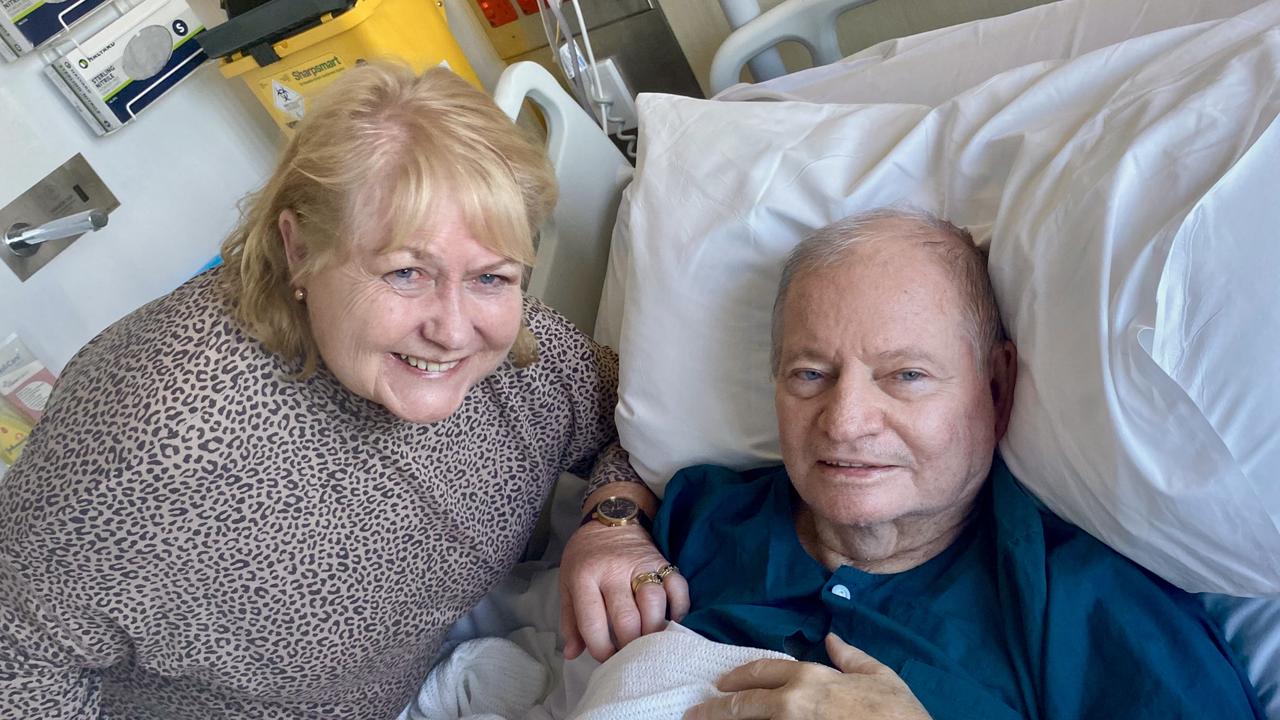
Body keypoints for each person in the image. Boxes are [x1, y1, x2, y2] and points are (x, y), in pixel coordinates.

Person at [0, 62, 682, 719]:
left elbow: (629, 410)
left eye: (492, 276)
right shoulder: (158, 432)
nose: (453, 329)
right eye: (406, 272)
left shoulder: (514, 352)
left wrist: (613, 522)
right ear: (298, 249)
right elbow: (19, 662)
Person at [651, 209, 1264, 719]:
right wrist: (611, 521)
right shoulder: (701, 512)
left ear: (995, 387)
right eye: (810, 374)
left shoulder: (1093, 610)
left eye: (906, 376)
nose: (843, 421)